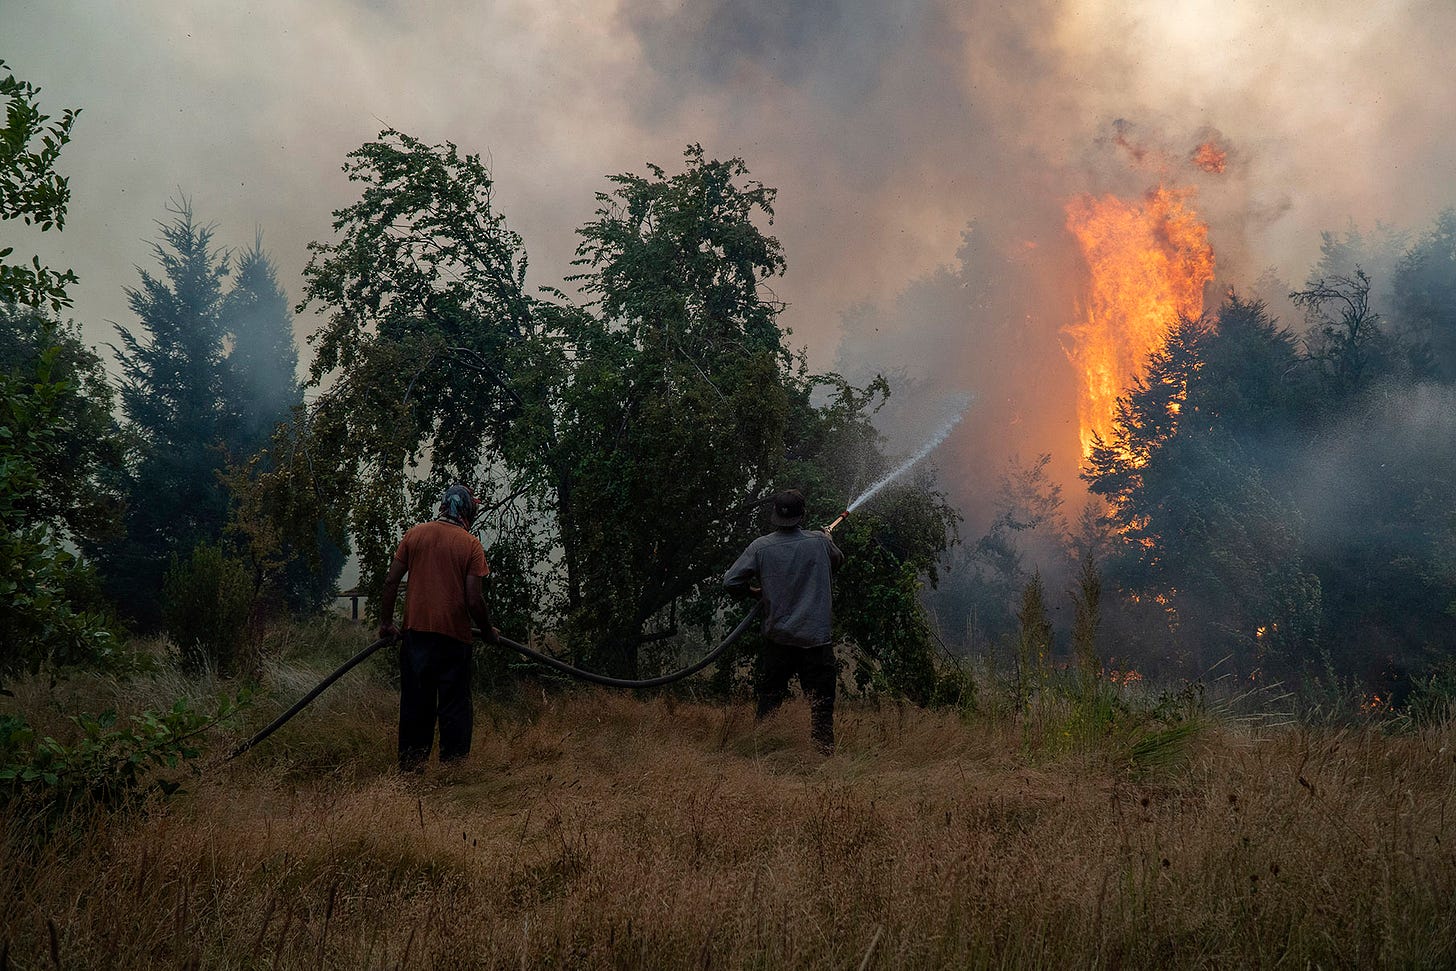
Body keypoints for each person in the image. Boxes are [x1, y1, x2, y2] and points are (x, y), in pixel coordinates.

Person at [379, 484, 497, 771]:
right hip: (454, 640)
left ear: (444, 506)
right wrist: (489, 631)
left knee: (415, 707)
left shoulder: (414, 534)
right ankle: (453, 772)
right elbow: (474, 599)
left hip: (415, 638)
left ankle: (411, 770)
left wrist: (386, 623)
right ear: (468, 511)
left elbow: (391, 581)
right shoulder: (470, 545)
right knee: (454, 708)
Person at [723, 489, 845, 753]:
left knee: (770, 700)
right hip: (815, 641)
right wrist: (827, 539)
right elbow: (837, 562)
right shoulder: (820, 543)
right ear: (803, 514)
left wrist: (753, 592)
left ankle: (762, 752)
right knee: (821, 705)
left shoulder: (760, 547)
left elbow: (731, 581)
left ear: (775, 515)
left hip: (778, 639)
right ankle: (823, 758)